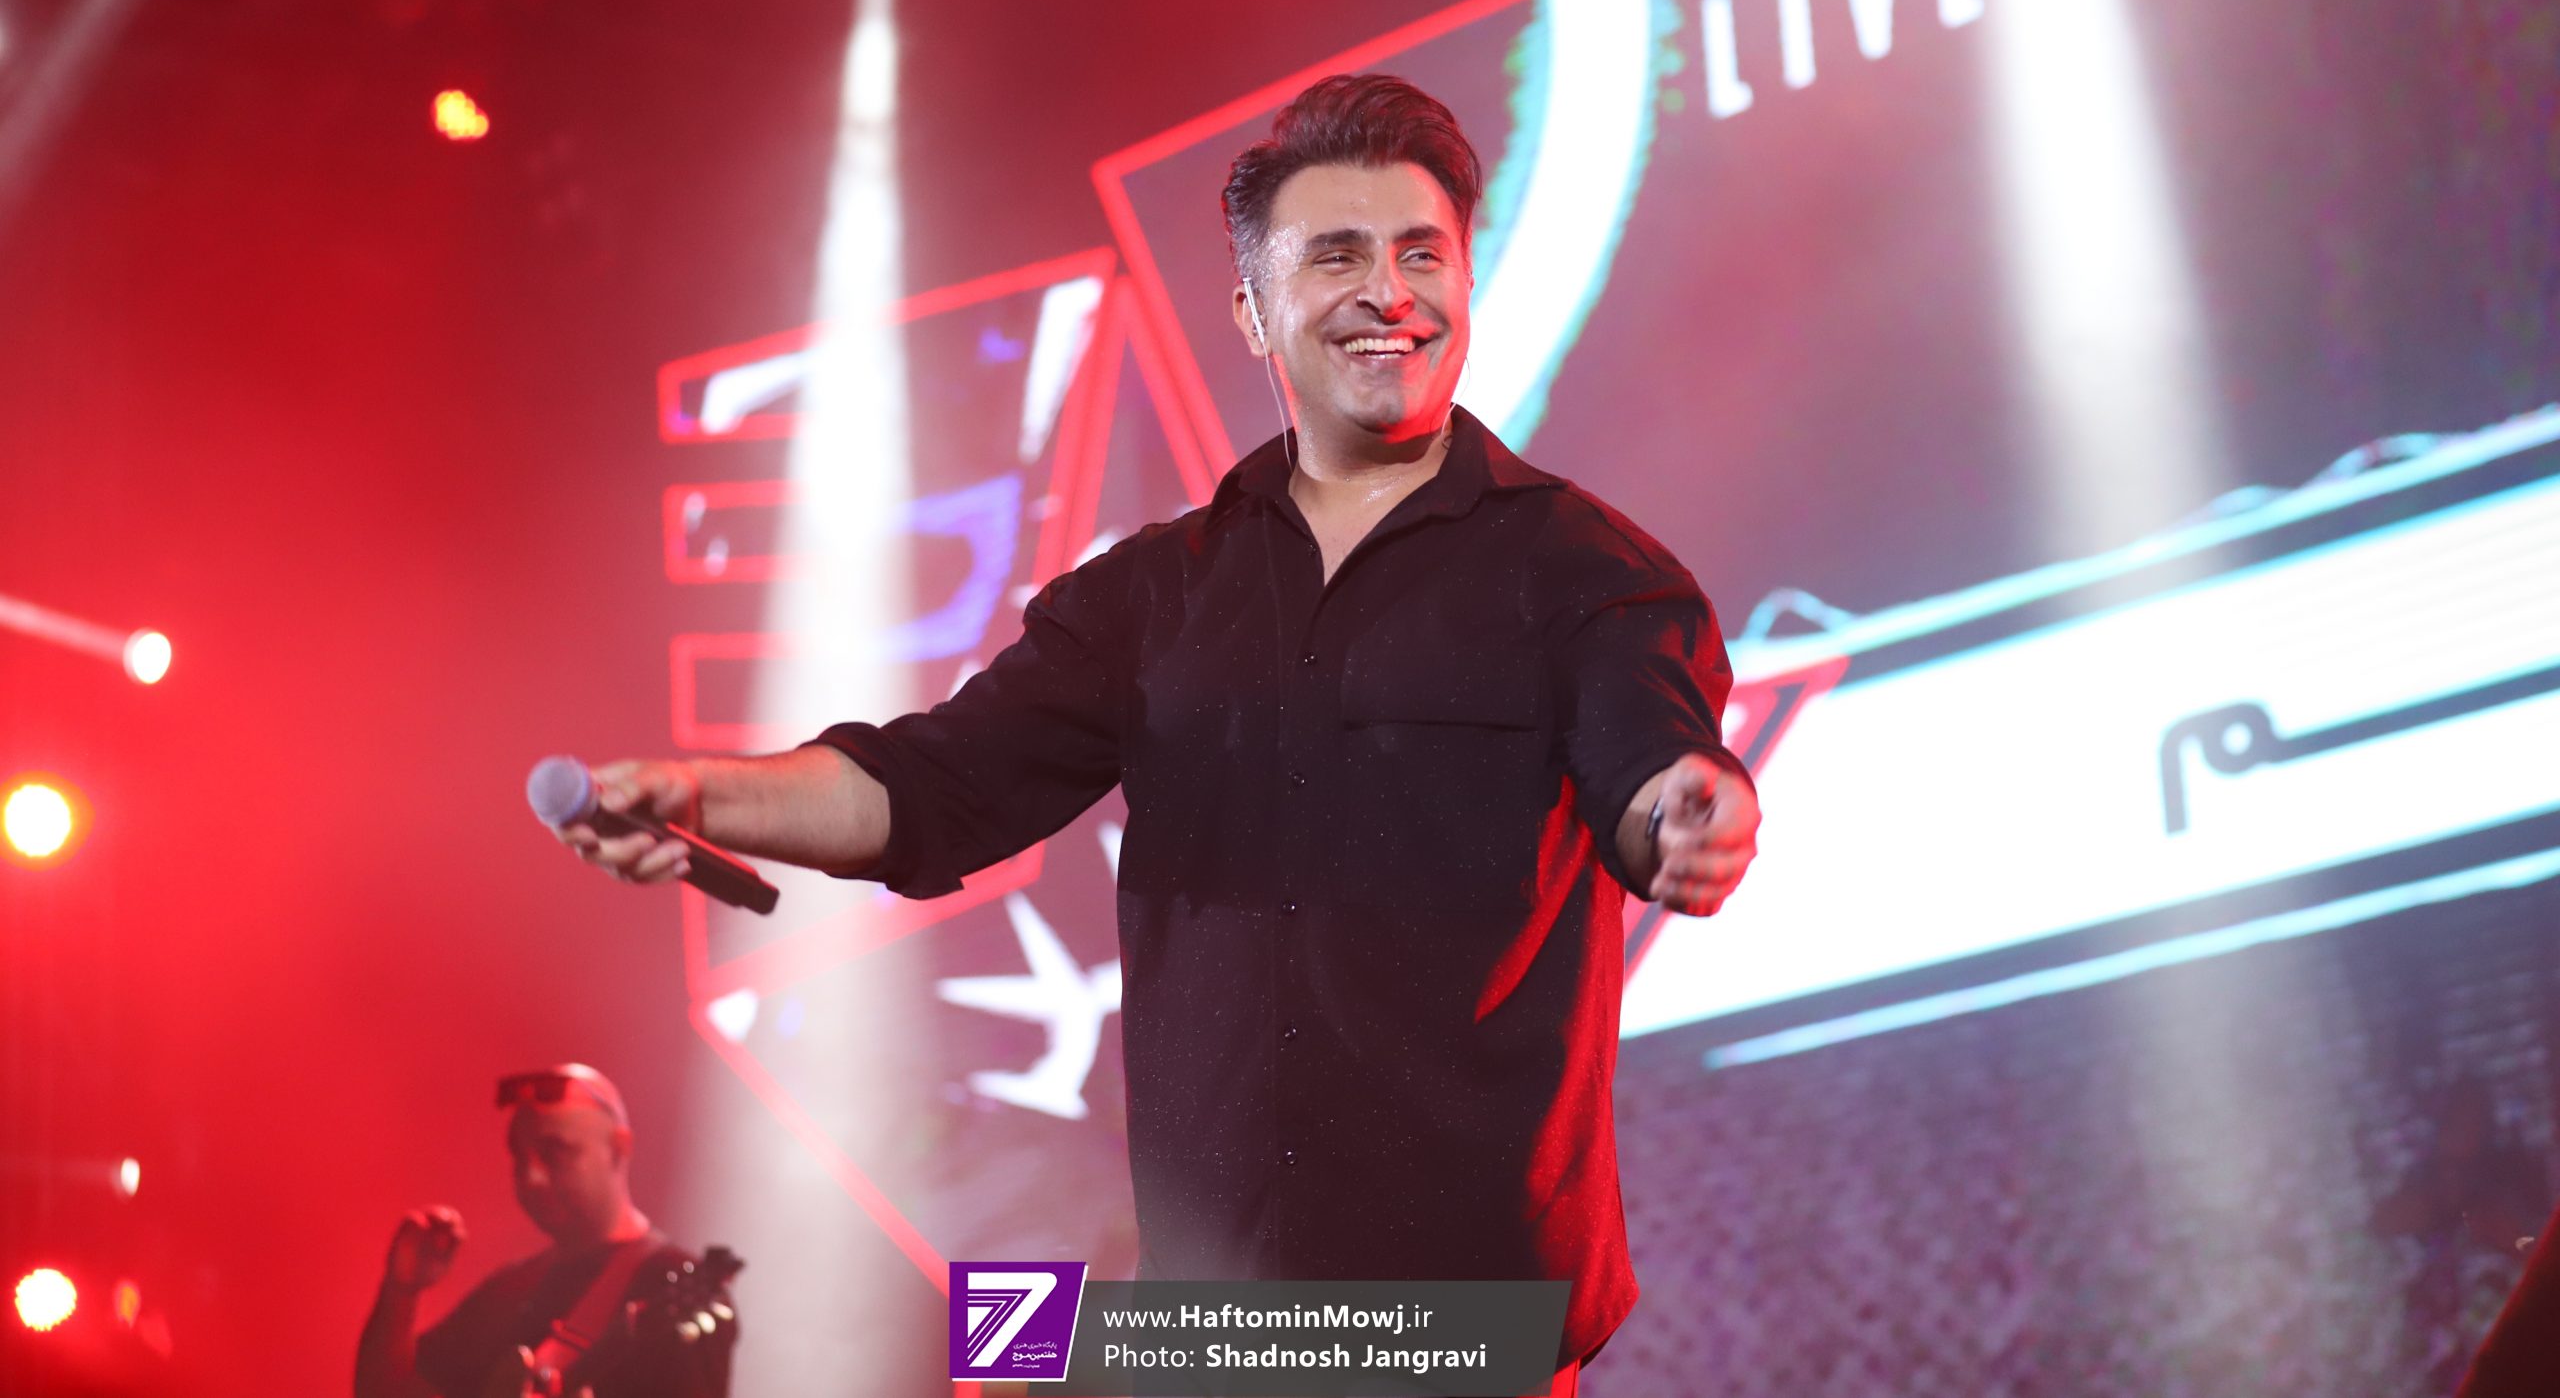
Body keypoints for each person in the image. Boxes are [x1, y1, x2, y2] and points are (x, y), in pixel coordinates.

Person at [554, 75, 1760, 1395]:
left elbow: (1653, 769)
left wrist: (1685, 811)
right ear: (1251, 310)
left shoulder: (1587, 574)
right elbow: (930, 789)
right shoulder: (1150, 596)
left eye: (1423, 254)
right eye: (1338, 255)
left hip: (1460, 1334)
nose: (1390, 290)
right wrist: (701, 793)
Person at [354, 1064, 736, 1398]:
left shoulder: (671, 1285)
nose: (531, 1177)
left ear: (619, 1148)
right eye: (519, 1156)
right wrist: (401, 1290)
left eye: (556, 1152)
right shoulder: (509, 1287)